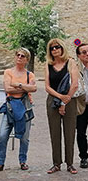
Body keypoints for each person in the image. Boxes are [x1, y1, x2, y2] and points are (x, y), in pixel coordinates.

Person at [0, 48, 36, 172]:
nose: (19, 57)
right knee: (2, 135)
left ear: (27, 59)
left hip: (25, 108)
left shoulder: (29, 75)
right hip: (10, 108)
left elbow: (34, 88)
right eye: (18, 55)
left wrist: (17, 85)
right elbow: (8, 89)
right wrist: (24, 88)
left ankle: (23, 160)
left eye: (23, 56)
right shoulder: (8, 72)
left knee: (24, 137)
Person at [45, 38, 78, 174]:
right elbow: (47, 86)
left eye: (57, 47)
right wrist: (60, 98)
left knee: (69, 132)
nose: (54, 50)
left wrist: (64, 101)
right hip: (53, 100)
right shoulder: (48, 64)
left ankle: (70, 163)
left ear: (62, 48)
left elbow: (74, 84)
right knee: (54, 133)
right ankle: (56, 163)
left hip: (69, 100)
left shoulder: (70, 62)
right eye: (52, 48)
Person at [76, 43, 88, 168]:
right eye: (84, 52)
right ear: (79, 56)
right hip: (81, 105)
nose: (87, 54)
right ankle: (84, 157)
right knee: (80, 133)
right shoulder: (75, 69)